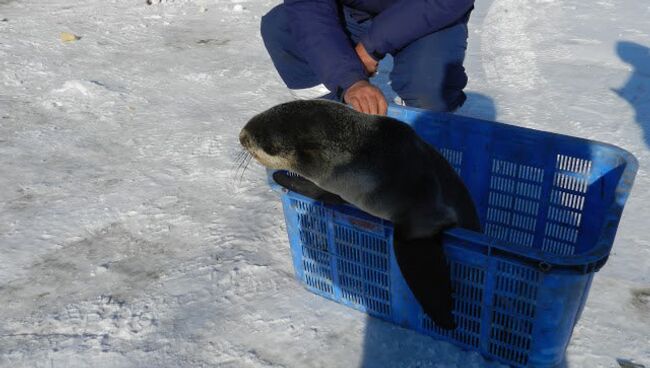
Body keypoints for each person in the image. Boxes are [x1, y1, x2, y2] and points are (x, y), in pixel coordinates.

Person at [260, 0, 474, 115]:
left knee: (428, 86)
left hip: (431, 17)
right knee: (282, 27)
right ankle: (328, 128)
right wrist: (349, 80)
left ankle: (422, 145)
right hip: (356, 13)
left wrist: (372, 46)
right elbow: (307, 8)